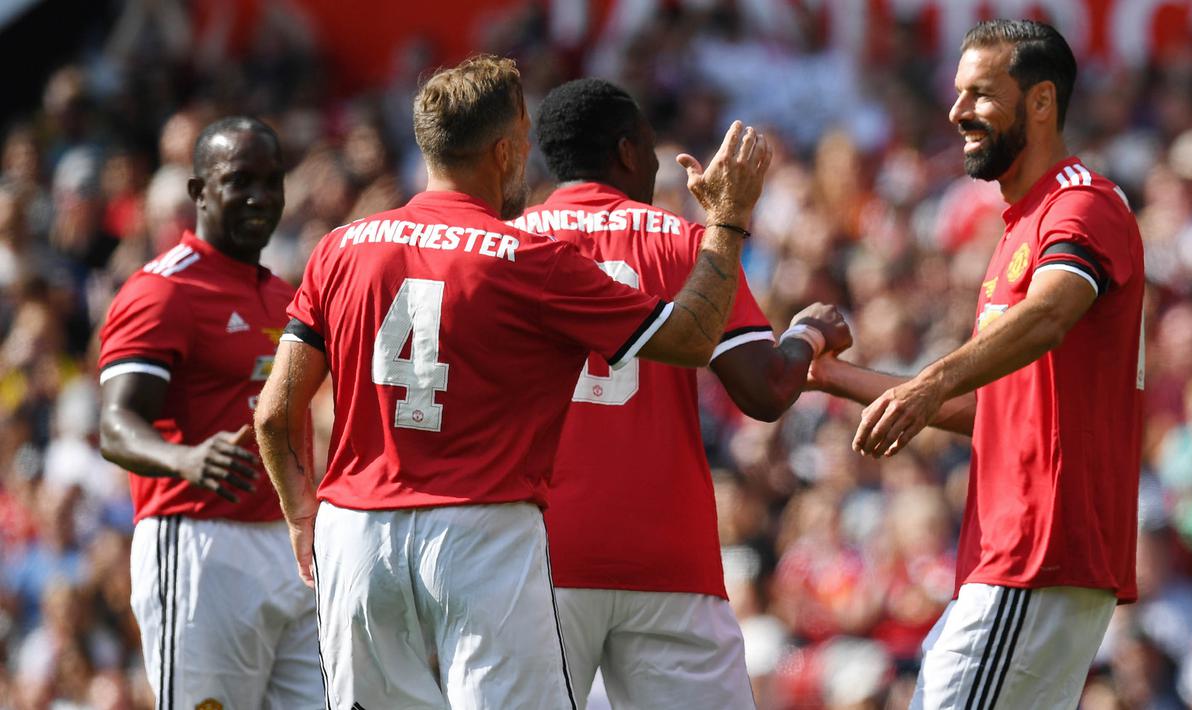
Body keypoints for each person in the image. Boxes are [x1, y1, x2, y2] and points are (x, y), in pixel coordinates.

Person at [253, 55, 771, 709]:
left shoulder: (339, 247)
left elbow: (275, 413)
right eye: (523, 143)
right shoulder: (526, 259)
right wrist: (727, 220)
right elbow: (692, 339)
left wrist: (301, 514)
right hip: (480, 533)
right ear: (502, 152)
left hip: (355, 534)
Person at [808, 20, 1144, 709]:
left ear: (1041, 101)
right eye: (958, 93)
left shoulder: (1080, 203)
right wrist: (830, 376)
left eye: (981, 94)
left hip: (1037, 549)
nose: (957, 111)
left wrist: (929, 381)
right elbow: (991, 409)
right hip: (1017, 557)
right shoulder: (1021, 224)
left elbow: (1049, 315)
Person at [512, 77, 850, 709]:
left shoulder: (507, 247)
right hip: (667, 558)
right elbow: (766, 391)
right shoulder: (689, 242)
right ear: (626, 150)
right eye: (649, 146)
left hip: (536, 552)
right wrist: (808, 333)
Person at [97, 117, 323, 708]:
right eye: (239, 180)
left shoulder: (284, 296)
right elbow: (116, 425)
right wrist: (185, 459)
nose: (260, 197)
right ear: (198, 191)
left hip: (290, 545)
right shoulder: (161, 291)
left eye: (272, 182)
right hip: (201, 544)